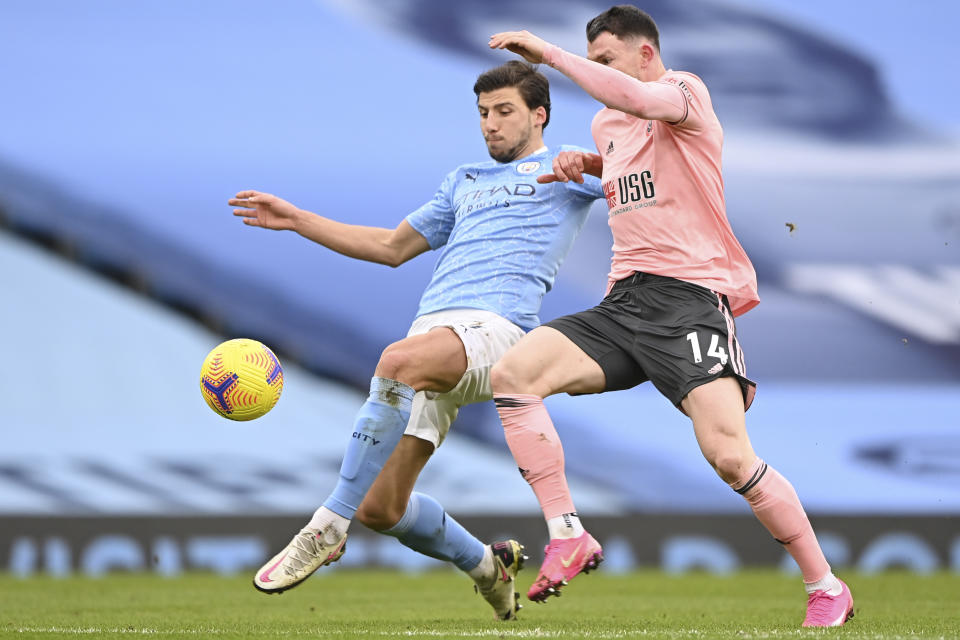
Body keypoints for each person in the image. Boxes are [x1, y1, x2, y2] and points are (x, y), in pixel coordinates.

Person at [487, 5, 855, 628]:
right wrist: (594, 165)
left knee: (731, 459)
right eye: (593, 61)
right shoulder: (608, 124)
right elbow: (645, 169)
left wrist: (547, 53)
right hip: (624, 302)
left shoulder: (683, 89)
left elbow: (637, 100)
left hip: (690, 301)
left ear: (645, 54)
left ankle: (825, 586)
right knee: (512, 377)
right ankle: (569, 532)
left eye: (606, 59)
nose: (600, 74)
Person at [228, 60, 603, 621]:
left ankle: (327, 525)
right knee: (381, 507)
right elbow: (390, 247)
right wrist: (297, 219)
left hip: (499, 333)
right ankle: (486, 566)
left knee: (396, 362)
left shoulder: (566, 169)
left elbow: (648, 171)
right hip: (436, 338)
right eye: (482, 113)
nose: (490, 125)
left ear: (539, 115)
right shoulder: (464, 181)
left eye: (504, 112)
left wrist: (597, 161)